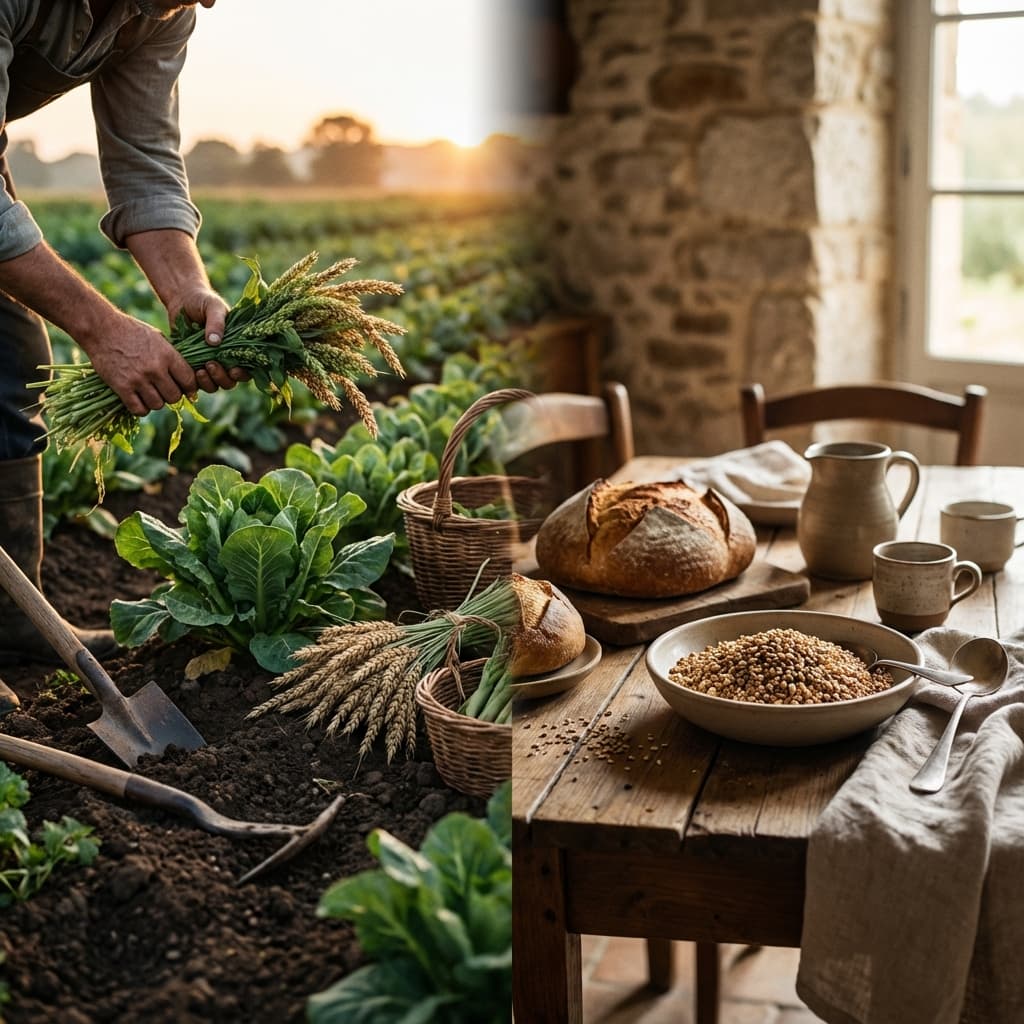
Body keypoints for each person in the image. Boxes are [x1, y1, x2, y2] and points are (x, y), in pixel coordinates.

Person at [0, 0, 240, 671]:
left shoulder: (163, 11)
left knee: (11, 362)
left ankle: (11, 620)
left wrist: (185, 288)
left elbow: (145, 159)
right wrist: (102, 330)